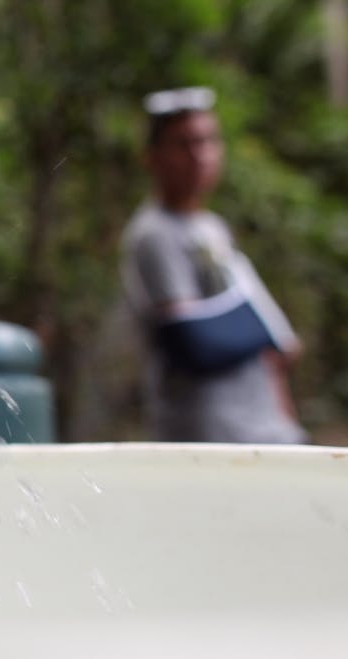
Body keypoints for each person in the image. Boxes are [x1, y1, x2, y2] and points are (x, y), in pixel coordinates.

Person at [119, 87, 306, 444]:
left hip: (263, 427)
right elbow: (192, 342)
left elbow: (274, 353)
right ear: (152, 157)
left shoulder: (212, 226)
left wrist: (286, 422)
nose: (199, 156)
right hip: (209, 431)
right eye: (183, 144)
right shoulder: (155, 234)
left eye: (207, 141)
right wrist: (260, 328)